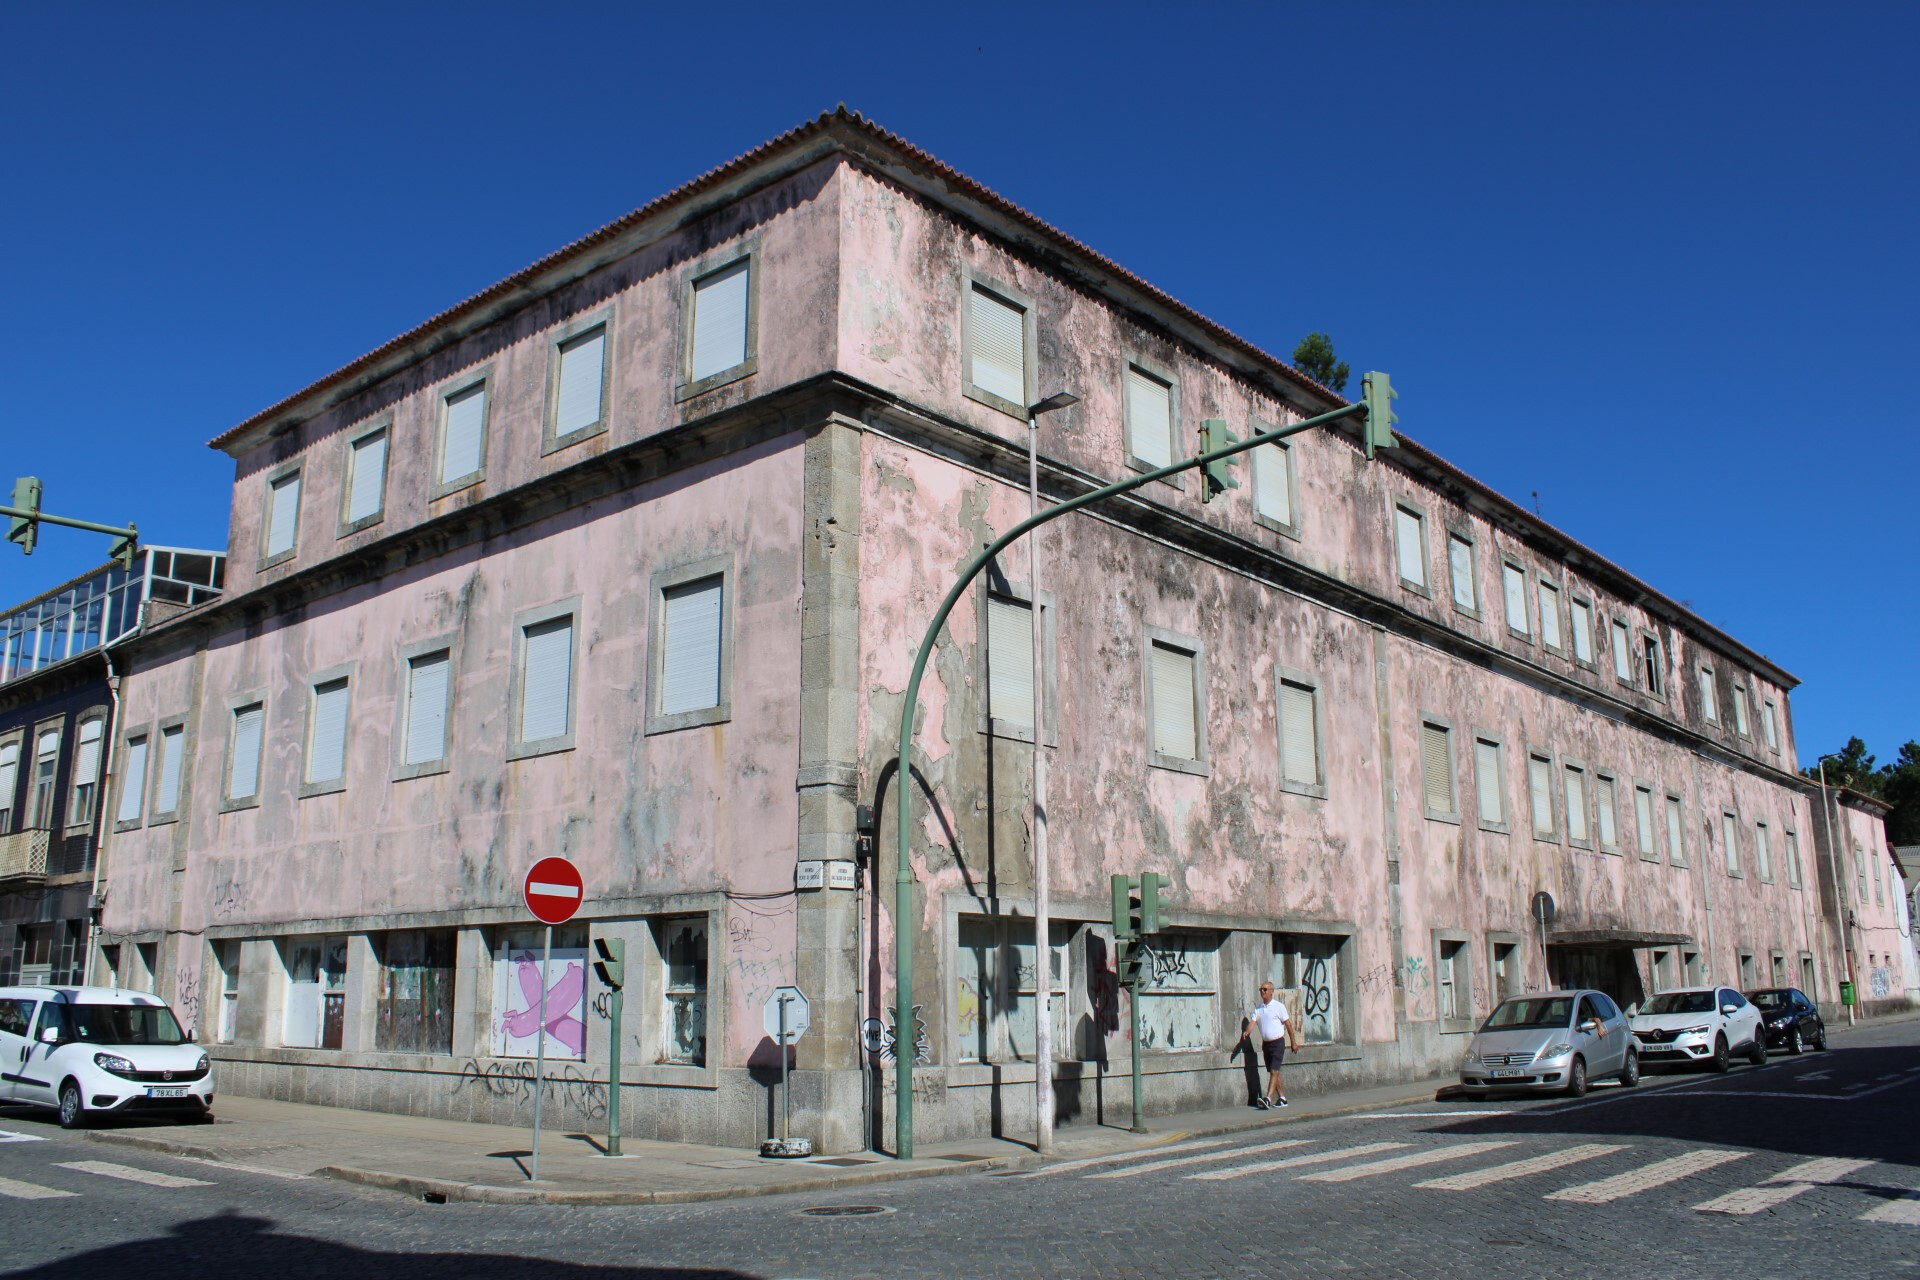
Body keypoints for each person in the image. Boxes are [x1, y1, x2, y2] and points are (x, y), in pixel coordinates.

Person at [1234, 981, 1299, 1109]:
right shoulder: (1258, 1009)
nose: (1262, 992)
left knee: (1275, 1070)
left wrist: (1293, 1042)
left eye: (1265, 989)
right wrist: (1247, 1032)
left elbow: (1288, 1025)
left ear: (1271, 991)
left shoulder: (1278, 1006)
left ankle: (1268, 1099)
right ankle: (1282, 1098)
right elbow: (1253, 1022)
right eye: (1261, 990)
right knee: (1272, 1072)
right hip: (1266, 1045)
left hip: (1278, 1043)